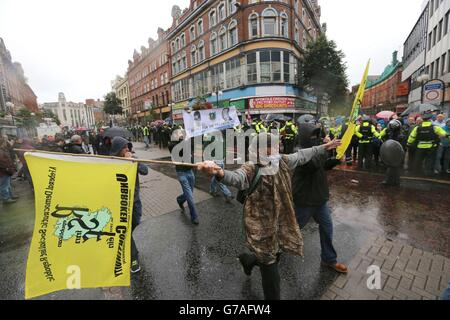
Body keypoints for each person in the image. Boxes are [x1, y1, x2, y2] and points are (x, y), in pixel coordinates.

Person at [198, 133, 341, 300]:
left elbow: (303, 155)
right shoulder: (252, 167)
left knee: (273, 255)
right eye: (270, 146)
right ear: (259, 150)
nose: (276, 148)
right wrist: (219, 172)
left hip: (280, 223)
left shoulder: (282, 161)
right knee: (271, 269)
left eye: (276, 145)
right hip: (261, 227)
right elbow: (237, 178)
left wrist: (324, 147)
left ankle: (249, 260)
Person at [292, 124, 348, 274]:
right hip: (305, 200)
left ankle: (329, 259)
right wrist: (326, 147)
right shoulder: (298, 151)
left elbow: (323, 165)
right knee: (292, 230)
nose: (315, 138)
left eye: (316, 135)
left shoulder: (318, 148)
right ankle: (271, 253)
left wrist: (336, 160)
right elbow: (313, 165)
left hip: (319, 199)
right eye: (312, 135)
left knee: (327, 228)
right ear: (304, 136)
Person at [110, 137, 149, 273]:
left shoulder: (133, 159)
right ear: (118, 149)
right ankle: (133, 258)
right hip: (121, 203)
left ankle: (125, 244)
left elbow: (145, 171)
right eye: (124, 148)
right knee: (125, 231)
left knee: (135, 222)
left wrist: (133, 161)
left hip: (135, 201)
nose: (127, 149)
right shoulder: (112, 162)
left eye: (128, 147)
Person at [169, 131, 200, 225]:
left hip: (190, 171)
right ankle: (194, 216)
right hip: (181, 173)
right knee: (190, 196)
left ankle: (180, 199)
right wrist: (184, 140)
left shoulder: (186, 142)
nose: (181, 134)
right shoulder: (172, 145)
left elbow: (192, 148)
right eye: (178, 133)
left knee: (189, 192)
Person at [380, 120, 406, 186]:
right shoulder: (389, 132)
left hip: (397, 153)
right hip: (391, 152)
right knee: (392, 166)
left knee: (395, 167)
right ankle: (393, 181)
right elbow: (382, 136)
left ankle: (393, 181)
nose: (390, 127)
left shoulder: (401, 135)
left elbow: (401, 146)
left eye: (391, 126)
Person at [0, 136, 18, 205]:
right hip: (4, 171)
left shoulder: (3, 149)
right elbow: (2, 162)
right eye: (5, 141)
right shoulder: (1, 151)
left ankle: (10, 196)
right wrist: (6, 168)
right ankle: (6, 198)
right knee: (4, 186)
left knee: (8, 184)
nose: (6, 142)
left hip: (7, 171)